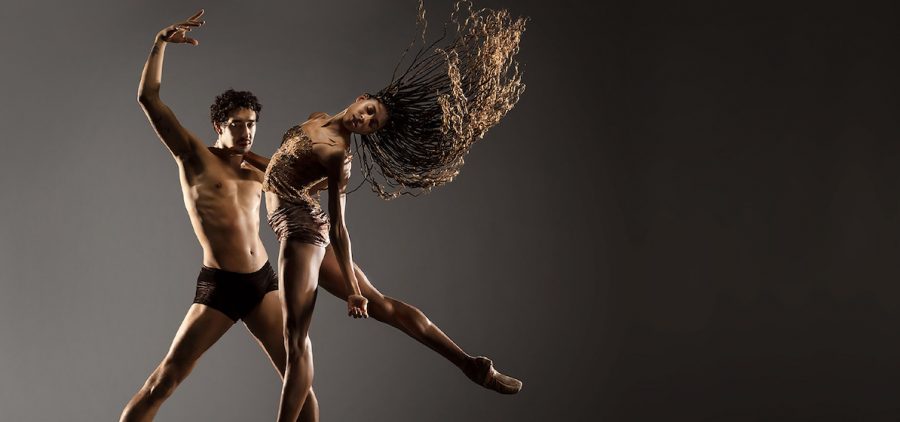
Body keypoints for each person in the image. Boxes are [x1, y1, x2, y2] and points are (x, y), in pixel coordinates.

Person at [122, 9, 520, 422]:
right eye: (237, 125)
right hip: (221, 286)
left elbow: (313, 197)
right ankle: (470, 364)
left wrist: (348, 279)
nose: (245, 133)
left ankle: (472, 364)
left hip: (264, 280)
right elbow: (149, 99)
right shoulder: (195, 157)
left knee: (304, 382)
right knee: (161, 384)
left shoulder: (280, 162)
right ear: (218, 125)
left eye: (252, 124)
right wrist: (160, 42)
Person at [263, 1, 527, 420]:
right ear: (360, 98)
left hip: (300, 232)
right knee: (382, 304)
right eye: (368, 111)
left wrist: (349, 286)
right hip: (300, 221)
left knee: (295, 341)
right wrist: (247, 165)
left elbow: (339, 228)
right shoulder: (314, 120)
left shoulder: (337, 156)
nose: (364, 120)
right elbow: (282, 172)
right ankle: (471, 365)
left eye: (372, 124)